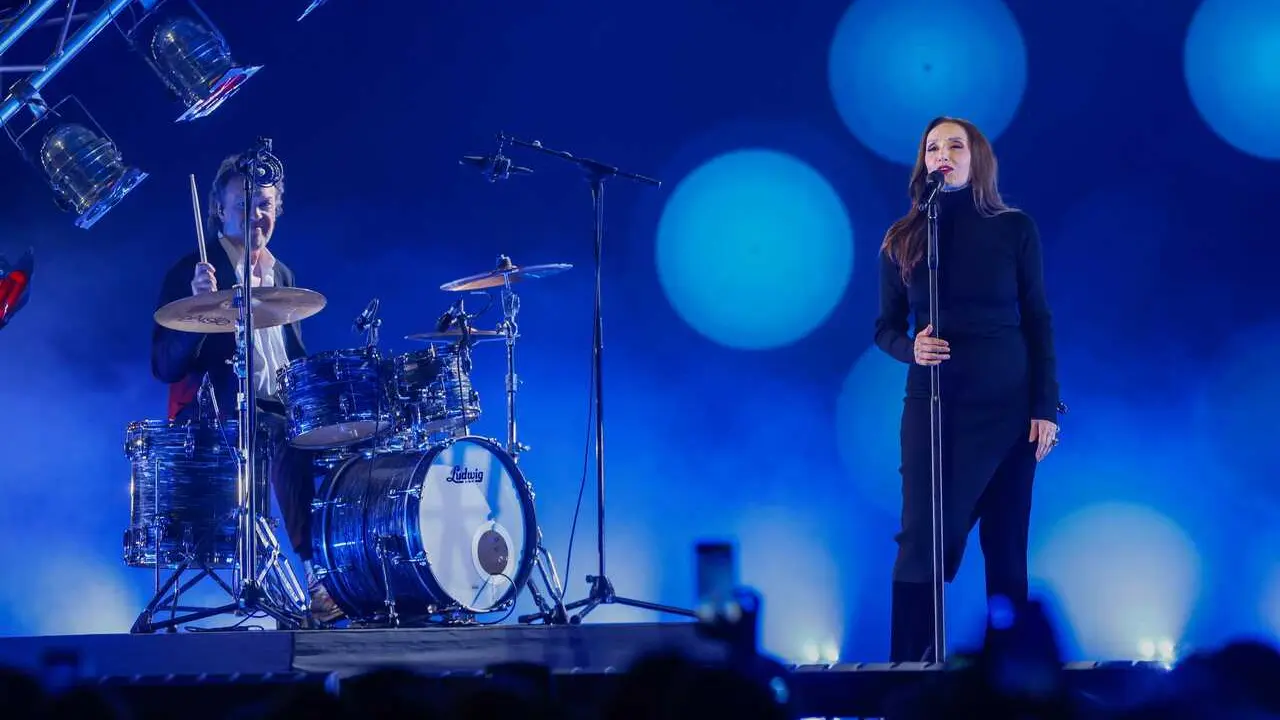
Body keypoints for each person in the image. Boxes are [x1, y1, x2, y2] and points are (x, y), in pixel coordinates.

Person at [874, 116, 1060, 662]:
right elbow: (883, 327)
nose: (944, 154)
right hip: (936, 407)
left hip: (1009, 407)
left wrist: (1045, 406)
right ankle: (909, 676)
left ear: (977, 157)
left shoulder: (1015, 228)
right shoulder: (903, 238)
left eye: (956, 145)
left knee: (1006, 547)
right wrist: (912, 348)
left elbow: (1038, 318)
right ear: (923, 162)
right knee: (922, 541)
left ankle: (1014, 680)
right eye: (933, 147)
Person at [150, 152, 343, 624]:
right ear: (219, 208)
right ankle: (315, 578)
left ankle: (360, 573)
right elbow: (163, 366)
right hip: (222, 413)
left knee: (352, 440)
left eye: (265, 205)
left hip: (282, 405)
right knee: (280, 436)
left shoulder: (284, 276)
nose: (255, 215)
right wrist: (198, 308)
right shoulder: (194, 268)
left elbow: (294, 359)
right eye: (243, 204)